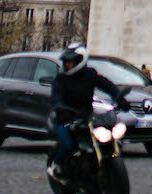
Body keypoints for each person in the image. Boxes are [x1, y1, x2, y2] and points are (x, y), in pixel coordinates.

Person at [49, 43, 123, 182]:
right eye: (66, 62)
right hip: (65, 118)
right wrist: (59, 106)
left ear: (79, 61)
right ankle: (56, 165)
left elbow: (106, 84)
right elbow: (55, 97)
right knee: (68, 144)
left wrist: (119, 97)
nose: (67, 65)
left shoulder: (90, 74)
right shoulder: (61, 79)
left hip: (86, 117)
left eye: (70, 62)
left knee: (105, 138)